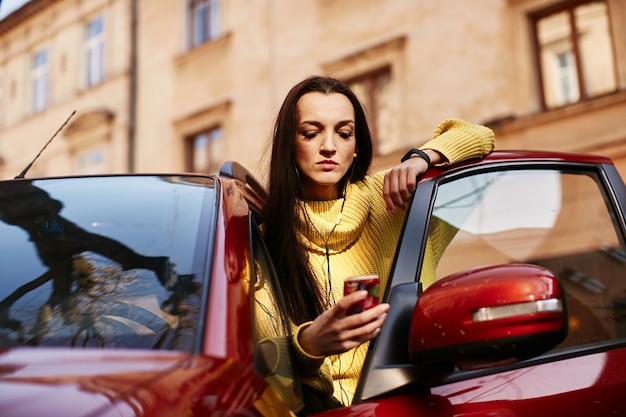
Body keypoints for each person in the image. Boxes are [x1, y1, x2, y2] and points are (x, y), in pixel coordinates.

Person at [258, 75, 495, 412]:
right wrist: (308, 345)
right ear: (289, 144)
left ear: (357, 147)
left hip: (411, 405)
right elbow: (262, 363)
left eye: (344, 133)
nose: (329, 146)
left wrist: (422, 158)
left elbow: (480, 136)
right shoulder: (266, 238)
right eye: (311, 133)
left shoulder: (394, 201)